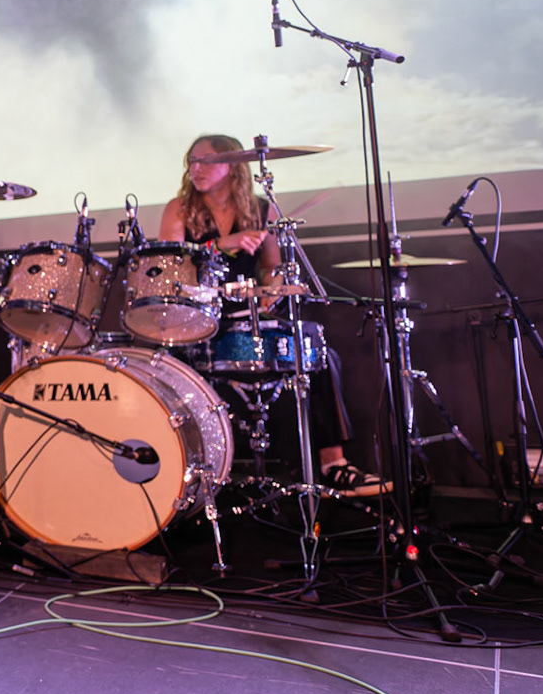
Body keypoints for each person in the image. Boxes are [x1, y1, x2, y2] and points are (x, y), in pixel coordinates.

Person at [158, 134, 378, 496]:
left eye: (205, 161)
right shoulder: (179, 209)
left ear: (232, 166)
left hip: (246, 317)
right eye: (191, 161)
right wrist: (220, 245)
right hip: (197, 318)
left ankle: (334, 464)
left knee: (316, 350)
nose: (195, 169)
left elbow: (272, 268)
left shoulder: (261, 210)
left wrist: (272, 289)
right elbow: (170, 267)